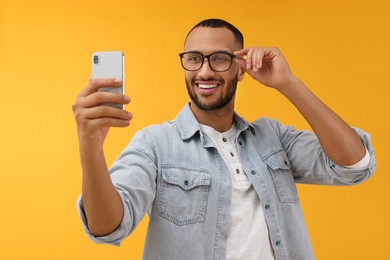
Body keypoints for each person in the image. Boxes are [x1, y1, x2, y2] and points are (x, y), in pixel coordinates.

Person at [73, 18, 376, 260]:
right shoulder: (155, 144)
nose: (204, 71)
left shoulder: (273, 137)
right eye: (193, 59)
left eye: (219, 59)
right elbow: (108, 227)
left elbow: (355, 164)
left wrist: (288, 83)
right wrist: (90, 148)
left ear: (240, 68)